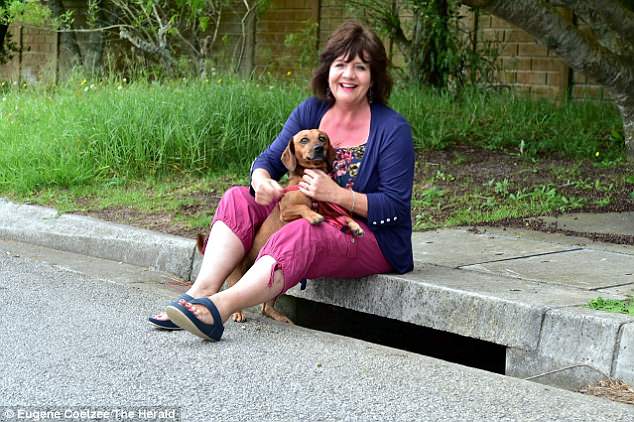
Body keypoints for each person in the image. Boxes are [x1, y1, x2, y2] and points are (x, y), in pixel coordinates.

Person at [148, 20, 415, 341]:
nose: (348, 75)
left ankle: (218, 308)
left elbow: (395, 206)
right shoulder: (311, 111)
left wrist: (337, 194)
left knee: (306, 228)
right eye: (341, 64)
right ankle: (200, 292)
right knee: (238, 197)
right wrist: (261, 180)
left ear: (374, 76)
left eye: (360, 67)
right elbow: (270, 160)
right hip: (312, 212)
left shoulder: (392, 129)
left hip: (369, 237)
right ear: (328, 69)